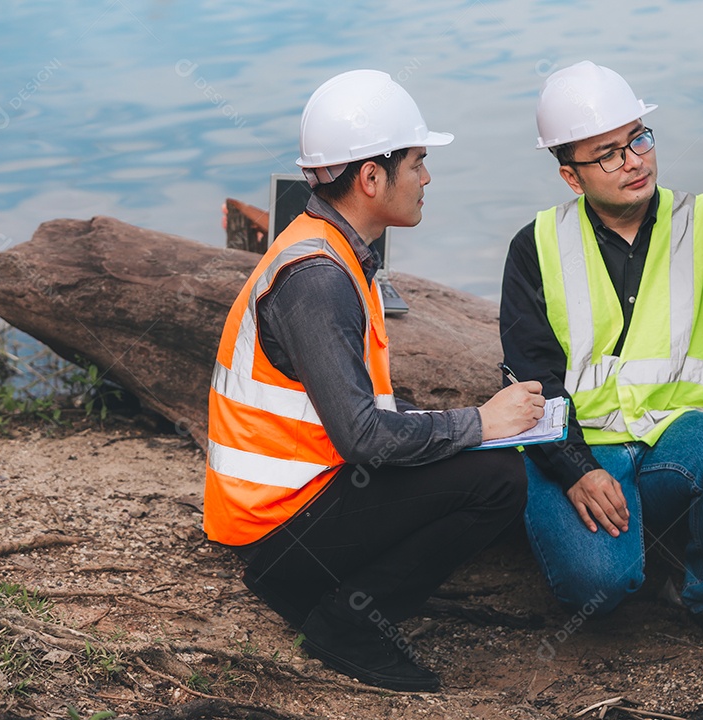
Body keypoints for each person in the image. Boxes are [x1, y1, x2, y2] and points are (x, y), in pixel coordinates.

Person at [203, 69, 546, 692]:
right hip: (277, 536)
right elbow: (363, 438)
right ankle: (346, 623)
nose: (426, 178)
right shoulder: (319, 278)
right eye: (416, 162)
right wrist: (480, 423)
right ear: (370, 177)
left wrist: (470, 424)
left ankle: (342, 595)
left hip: (291, 511)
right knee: (498, 479)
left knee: (485, 455)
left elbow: (363, 411)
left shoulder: (329, 251)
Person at [499, 61, 703, 662]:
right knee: (598, 587)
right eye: (608, 154)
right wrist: (575, 470)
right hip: (584, 446)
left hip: (678, 438)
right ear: (571, 176)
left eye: (638, 139)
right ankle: (636, 546)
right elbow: (534, 379)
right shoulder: (536, 247)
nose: (634, 161)